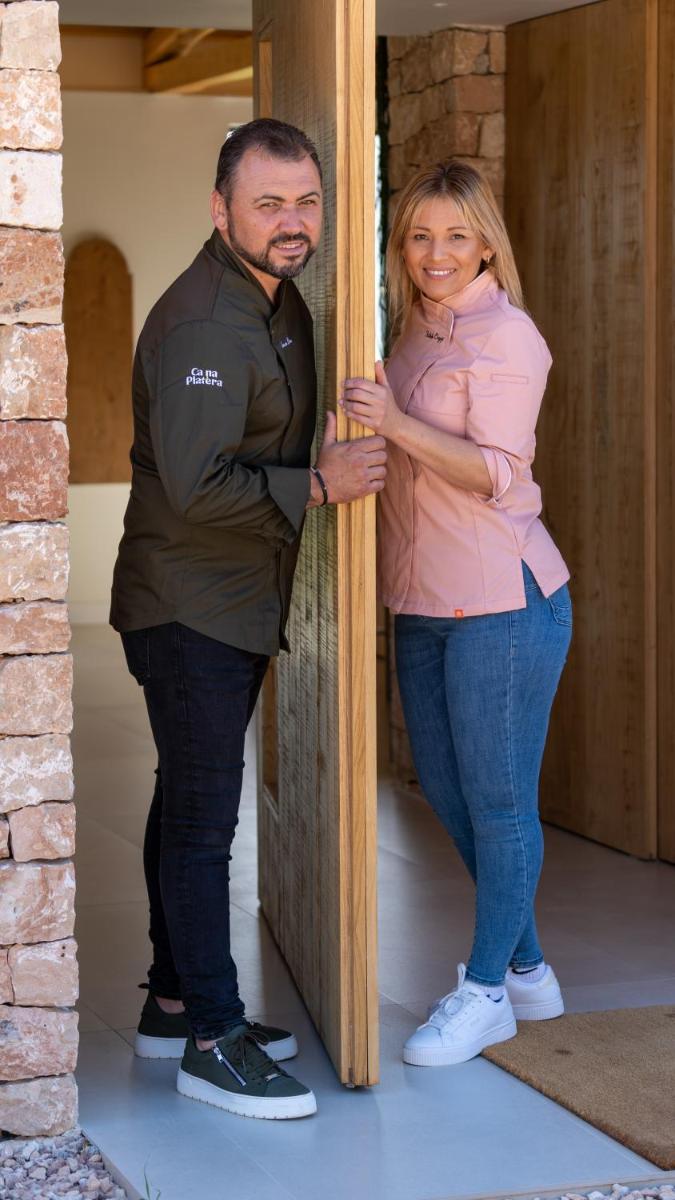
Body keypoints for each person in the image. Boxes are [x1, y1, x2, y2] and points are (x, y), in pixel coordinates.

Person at [109, 118, 387, 1118]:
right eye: (268, 203)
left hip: (230, 602)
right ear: (221, 210)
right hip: (188, 606)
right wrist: (317, 484)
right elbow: (193, 488)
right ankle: (213, 1041)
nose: (291, 221)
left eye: (305, 201)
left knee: (183, 798)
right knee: (200, 820)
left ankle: (172, 1003)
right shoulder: (202, 324)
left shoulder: (277, 300)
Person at [341, 159, 571, 1067]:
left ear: (485, 245)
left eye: (455, 236)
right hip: (421, 600)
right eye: (419, 236)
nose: (435, 253)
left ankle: (484, 994)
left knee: (499, 802)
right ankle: (528, 968)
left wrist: (393, 423)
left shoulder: (508, 338)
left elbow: (495, 473)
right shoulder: (412, 330)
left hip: (501, 602)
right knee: (444, 789)